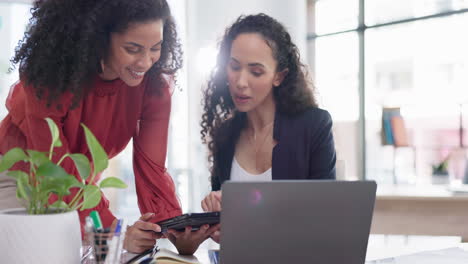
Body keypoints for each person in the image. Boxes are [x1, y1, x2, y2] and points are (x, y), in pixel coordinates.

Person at [0, 0, 215, 254]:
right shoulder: (51, 78)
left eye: (155, 48)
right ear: (98, 39)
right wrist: (116, 232)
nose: (146, 62)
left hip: (78, 186)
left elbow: (152, 168)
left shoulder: (154, 83)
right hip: (19, 180)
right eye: (133, 49)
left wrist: (173, 227)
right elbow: (55, 167)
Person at [200, 13, 337, 242]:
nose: (241, 82)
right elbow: (227, 226)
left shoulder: (314, 126)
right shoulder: (225, 136)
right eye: (234, 67)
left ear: (279, 76)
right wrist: (217, 223)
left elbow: (325, 218)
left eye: (256, 71)